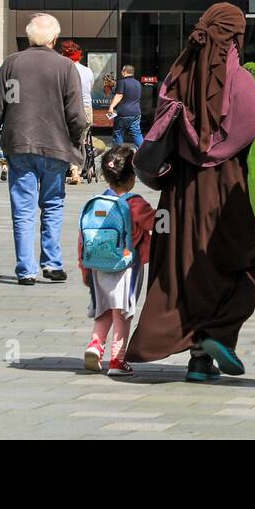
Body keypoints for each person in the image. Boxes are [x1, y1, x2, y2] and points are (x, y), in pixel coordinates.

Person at [127, 3, 255, 383]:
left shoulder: (178, 74)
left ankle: (198, 361)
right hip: (228, 191)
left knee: (184, 267)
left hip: (179, 193)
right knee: (242, 264)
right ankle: (216, 335)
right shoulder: (240, 81)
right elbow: (252, 128)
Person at [0, 14, 89, 285]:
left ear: (29, 37)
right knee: (53, 203)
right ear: (54, 38)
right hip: (55, 145)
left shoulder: (11, 64)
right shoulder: (66, 67)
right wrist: (77, 144)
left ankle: (26, 269)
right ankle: (52, 264)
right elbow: (76, 115)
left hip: (19, 143)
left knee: (23, 208)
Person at [81, 144, 155, 378]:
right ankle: (117, 359)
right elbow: (155, 223)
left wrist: (84, 268)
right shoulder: (135, 203)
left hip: (97, 267)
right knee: (122, 312)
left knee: (104, 310)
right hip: (126, 267)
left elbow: (83, 239)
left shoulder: (98, 201)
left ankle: (95, 345)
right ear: (133, 176)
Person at [59, 40, 95, 185]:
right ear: (79, 56)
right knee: (80, 140)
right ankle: (77, 170)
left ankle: (70, 170)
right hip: (86, 109)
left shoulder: (63, 70)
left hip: (67, 108)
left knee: (65, 140)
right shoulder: (88, 71)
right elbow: (89, 89)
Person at [108, 65, 143, 146]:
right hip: (136, 113)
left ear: (124, 72)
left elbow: (119, 95)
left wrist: (111, 106)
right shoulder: (138, 83)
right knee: (137, 133)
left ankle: (117, 153)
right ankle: (143, 153)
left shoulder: (122, 82)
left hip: (123, 113)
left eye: (122, 71)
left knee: (118, 133)